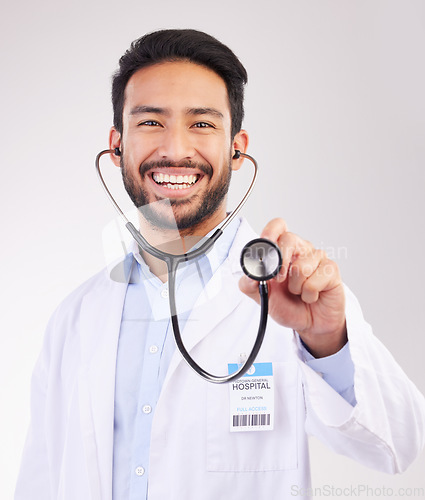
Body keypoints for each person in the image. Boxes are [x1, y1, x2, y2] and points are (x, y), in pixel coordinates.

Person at [15, 29, 425, 500]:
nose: (175, 148)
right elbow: (41, 481)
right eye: (150, 123)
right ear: (117, 145)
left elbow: (398, 448)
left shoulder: (295, 293)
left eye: (202, 124)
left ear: (236, 145)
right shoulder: (74, 319)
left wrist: (328, 340)